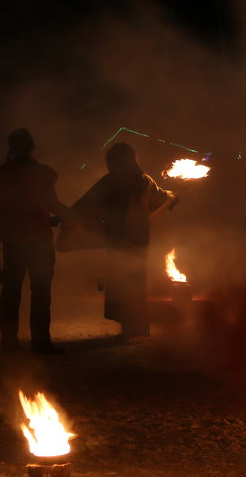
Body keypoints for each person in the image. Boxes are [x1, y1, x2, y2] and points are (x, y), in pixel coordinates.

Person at [72, 142, 176, 338]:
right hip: (137, 242)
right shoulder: (145, 181)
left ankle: (131, 325)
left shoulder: (113, 181)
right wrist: (172, 197)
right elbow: (162, 197)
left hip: (120, 240)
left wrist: (66, 215)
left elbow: (85, 203)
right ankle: (136, 326)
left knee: (123, 282)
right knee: (133, 282)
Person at [0, 128, 72, 354]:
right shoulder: (44, 174)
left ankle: (9, 341)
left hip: (12, 241)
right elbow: (52, 203)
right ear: (32, 148)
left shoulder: (0, 173)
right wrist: (69, 215)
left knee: (11, 292)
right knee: (41, 292)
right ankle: (41, 341)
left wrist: (5, 214)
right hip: (39, 241)